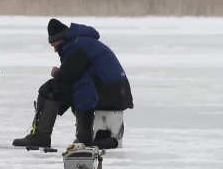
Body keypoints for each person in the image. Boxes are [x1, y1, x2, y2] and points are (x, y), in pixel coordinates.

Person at [12, 19, 133, 149]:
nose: (54, 50)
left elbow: (66, 76)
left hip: (108, 92)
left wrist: (56, 73)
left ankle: (41, 136)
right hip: (116, 92)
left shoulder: (77, 45)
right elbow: (75, 74)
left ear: (61, 39)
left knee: (50, 89)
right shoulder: (83, 41)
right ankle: (84, 137)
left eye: (54, 45)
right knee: (78, 87)